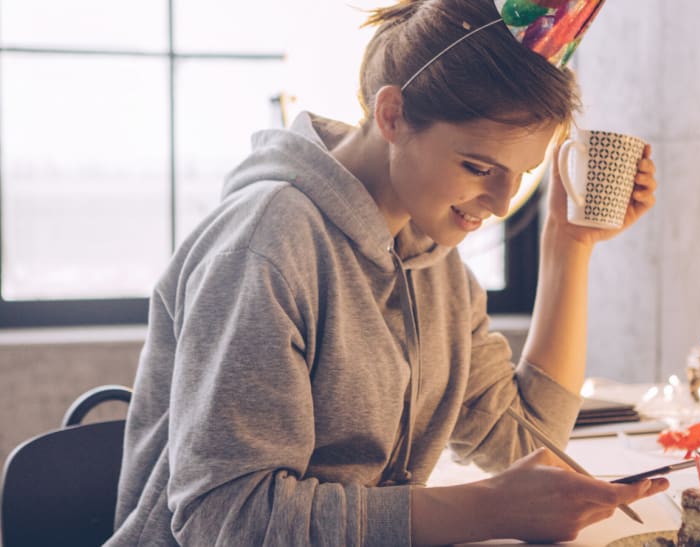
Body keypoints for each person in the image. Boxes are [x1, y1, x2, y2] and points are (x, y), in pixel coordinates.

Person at [108, 1, 663, 545]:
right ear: (392, 114)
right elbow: (226, 521)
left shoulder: (436, 266)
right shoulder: (267, 244)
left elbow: (524, 441)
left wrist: (569, 245)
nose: (499, 202)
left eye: (520, 174)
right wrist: (487, 509)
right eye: (478, 167)